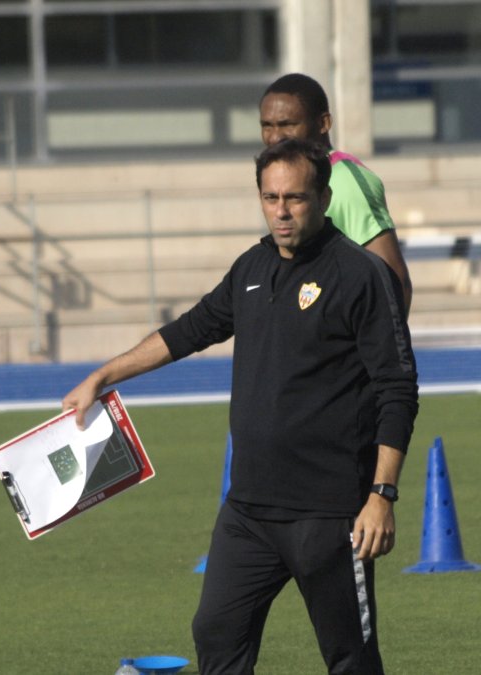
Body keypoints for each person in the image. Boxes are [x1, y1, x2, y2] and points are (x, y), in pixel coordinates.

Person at [60, 139, 419, 674]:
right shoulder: (250, 268)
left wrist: (381, 495)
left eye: (295, 197)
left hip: (329, 513)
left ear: (322, 196)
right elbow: (189, 332)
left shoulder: (359, 275)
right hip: (249, 512)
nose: (281, 210)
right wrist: (103, 375)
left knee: (351, 656)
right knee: (216, 632)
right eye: (270, 197)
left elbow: (398, 389)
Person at [259, 73, 413, 314]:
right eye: (267, 126)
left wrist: (370, 350)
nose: (275, 137)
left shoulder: (346, 181)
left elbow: (394, 282)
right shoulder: (281, 179)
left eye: (287, 124)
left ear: (323, 123)